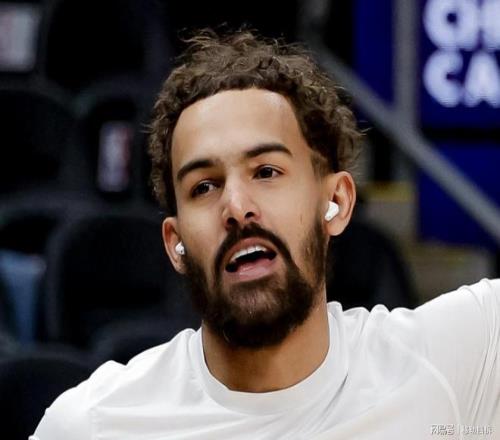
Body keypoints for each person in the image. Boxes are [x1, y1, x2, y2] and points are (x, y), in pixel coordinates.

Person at [32, 30, 499, 440]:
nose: (237, 207)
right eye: (204, 186)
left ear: (336, 202)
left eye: (267, 171)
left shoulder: (459, 360)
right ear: (175, 243)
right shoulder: (95, 425)